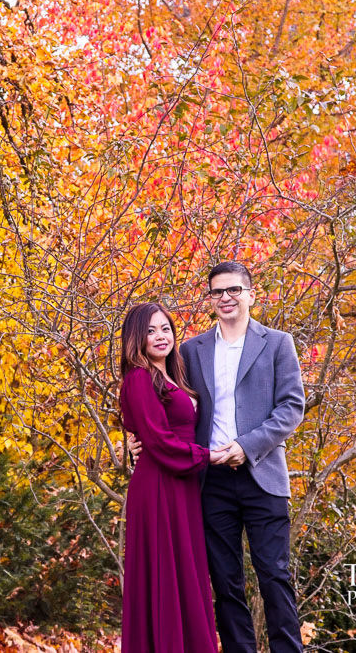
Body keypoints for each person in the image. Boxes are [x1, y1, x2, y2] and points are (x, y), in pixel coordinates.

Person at [130, 261, 306, 653]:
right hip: (210, 484)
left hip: (262, 475)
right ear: (210, 299)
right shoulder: (190, 350)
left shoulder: (278, 343)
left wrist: (247, 446)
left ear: (250, 294)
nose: (226, 298)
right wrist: (136, 437)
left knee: (274, 576)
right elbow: (162, 400)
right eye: (217, 292)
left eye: (234, 290)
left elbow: (292, 407)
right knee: (225, 583)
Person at [118, 302, 227, 653]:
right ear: (137, 338)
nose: (160, 336)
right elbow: (158, 440)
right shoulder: (138, 377)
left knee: (186, 574)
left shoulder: (173, 374)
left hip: (184, 485)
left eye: (165, 328)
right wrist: (208, 455)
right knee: (165, 572)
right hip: (160, 485)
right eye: (150, 331)